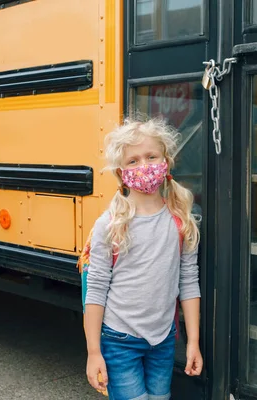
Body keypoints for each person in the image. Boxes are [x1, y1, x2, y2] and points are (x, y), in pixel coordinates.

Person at [84, 116, 203, 400]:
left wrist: (193, 342)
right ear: (120, 172)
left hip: (162, 340)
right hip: (120, 339)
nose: (144, 166)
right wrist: (93, 352)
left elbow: (188, 282)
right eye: (133, 161)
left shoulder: (181, 221)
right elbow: (96, 289)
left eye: (152, 157)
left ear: (166, 162)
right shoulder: (110, 225)